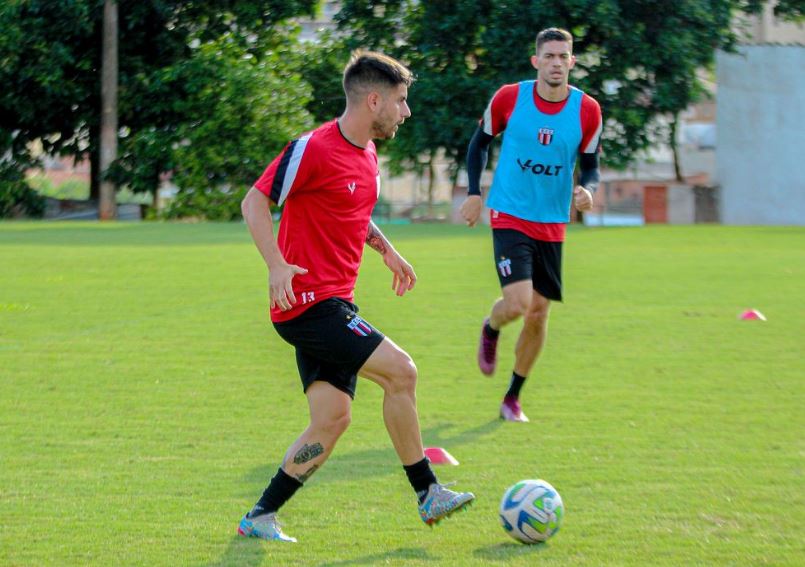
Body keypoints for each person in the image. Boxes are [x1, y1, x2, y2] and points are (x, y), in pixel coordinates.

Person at [238, 50, 475, 542]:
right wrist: (276, 265)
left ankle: (259, 516)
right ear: (374, 100)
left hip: (334, 304)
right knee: (402, 372)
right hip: (307, 303)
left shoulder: (368, 156)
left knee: (332, 419)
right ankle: (428, 492)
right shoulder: (312, 147)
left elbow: (350, 211)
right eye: (401, 101)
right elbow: (255, 200)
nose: (405, 112)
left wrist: (387, 250)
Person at [459, 28, 602, 422]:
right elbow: (479, 142)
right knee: (520, 304)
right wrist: (474, 192)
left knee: (539, 312)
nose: (556, 63)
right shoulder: (510, 97)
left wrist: (588, 190)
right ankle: (492, 327)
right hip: (509, 212)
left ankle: (512, 397)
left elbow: (591, 165)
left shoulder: (587, 109)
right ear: (536, 61)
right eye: (549, 56)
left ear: (572, 62)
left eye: (563, 56)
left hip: (553, 222)